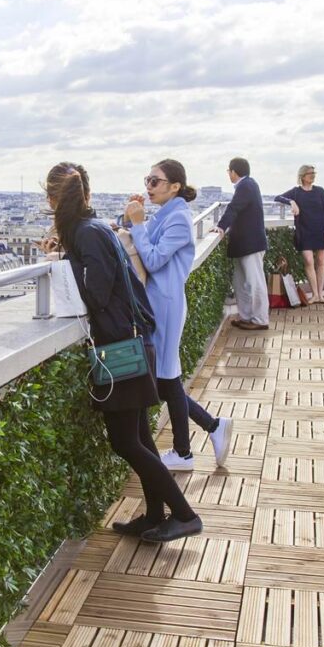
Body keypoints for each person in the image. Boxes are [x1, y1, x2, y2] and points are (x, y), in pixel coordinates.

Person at [48, 161, 202, 543]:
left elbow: (97, 293)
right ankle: (154, 514)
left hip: (121, 346)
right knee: (140, 438)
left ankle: (184, 515)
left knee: (125, 440)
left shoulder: (86, 234)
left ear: (53, 199)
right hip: (133, 340)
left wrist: (58, 268)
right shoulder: (94, 229)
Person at [124, 159, 234, 472]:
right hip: (161, 301)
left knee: (167, 378)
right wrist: (133, 220)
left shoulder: (178, 219)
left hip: (165, 303)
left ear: (175, 186)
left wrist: (139, 223)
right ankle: (210, 429)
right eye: (147, 179)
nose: (149, 186)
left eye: (155, 181)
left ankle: (186, 451)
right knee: (166, 379)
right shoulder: (170, 214)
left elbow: (155, 259)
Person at [212, 157, 268, 329]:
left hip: (250, 244)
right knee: (241, 282)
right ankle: (247, 316)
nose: (229, 174)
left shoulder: (245, 186)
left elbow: (234, 208)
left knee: (254, 282)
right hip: (246, 244)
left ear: (234, 172)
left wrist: (221, 226)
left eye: (229, 171)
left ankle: (260, 319)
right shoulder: (249, 185)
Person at [274, 165, 324, 303]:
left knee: (320, 261)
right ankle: (314, 294)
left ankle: (320, 294)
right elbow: (278, 197)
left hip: (321, 230)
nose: (312, 175)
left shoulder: (320, 191)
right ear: (302, 176)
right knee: (308, 261)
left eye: (314, 173)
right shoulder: (296, 192)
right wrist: (291, 201)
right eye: (309, 173)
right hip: (304, 230)